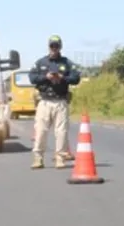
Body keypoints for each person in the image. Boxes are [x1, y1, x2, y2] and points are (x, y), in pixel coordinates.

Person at [29, 35, 81, 169]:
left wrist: (63, 77)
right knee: (40, 131)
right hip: (45, 101)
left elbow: (76, 78)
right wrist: (46, 77)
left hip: (60, 101)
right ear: (49, 46)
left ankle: (60, 158)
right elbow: (32, 78)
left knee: (61, 132)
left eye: (56, 46)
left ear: (60, 47)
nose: (54, 48)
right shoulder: (41, 63)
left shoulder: (66, 63)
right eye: (52, 46)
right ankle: (38, 158)